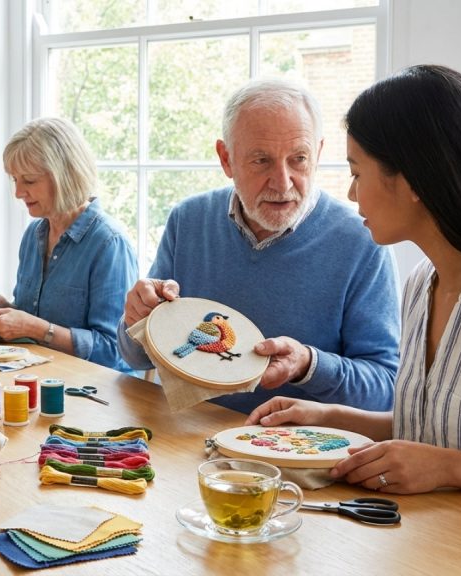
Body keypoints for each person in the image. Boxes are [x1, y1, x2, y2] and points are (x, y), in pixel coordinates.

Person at [247, 65, 461, 511]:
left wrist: (453, 468)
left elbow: (448, 456)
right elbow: (437, 428)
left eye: (357, 171)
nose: (351, 193)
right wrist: (330, 419)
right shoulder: (421, 284)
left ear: (411, 181)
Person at [119, 78, 400, 413]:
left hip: (296, 450)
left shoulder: (364, 243)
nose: (282, 183)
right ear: (226, 159)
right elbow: (133, 355)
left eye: (298, 159)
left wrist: (309, 365)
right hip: (191, 437)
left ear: (319, 154)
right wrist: (136, 320)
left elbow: (385, 389)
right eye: (261, 160)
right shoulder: (188, 221)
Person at [0, 117, 138, 372]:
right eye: (15, 180)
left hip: (96, 393)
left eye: (29, 181)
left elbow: (114, 351)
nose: (18, 192)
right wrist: (3, 308)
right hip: (40, 379)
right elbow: (34, 320)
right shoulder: (34, 234)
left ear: (65, 176)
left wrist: (34, 328)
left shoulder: (109, 244)